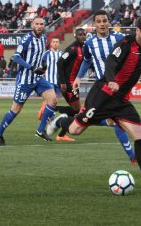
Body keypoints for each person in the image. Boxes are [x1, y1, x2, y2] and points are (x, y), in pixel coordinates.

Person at [48, 15, 141, 190]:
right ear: (137, 31)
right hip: (103, 96)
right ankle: (61, 120)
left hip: (121, 101)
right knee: (76, 129)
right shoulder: (125, 43)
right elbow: (111, 61)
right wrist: (111, 79)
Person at [53, 10, 136, 163]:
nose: (102, 24)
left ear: (109, 22)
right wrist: (78, 77)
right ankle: (133, 157)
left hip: (119, 88)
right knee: (113, 121)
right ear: (94, 25)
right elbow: (86, 60)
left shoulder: (120, 39)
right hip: (102, 89)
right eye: (99, 21)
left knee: (112, 121)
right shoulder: (90, 43)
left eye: (105, 21)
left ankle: (63, 121)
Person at [0, 17, 57, 146]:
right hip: (25, 80)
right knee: (15, 110)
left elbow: (41, 55)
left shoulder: (44, 38)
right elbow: (16, 57)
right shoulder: (26, 39)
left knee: (53, 99)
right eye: (37, 24)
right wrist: (32, 67)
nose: (39, 26)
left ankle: (40, 130)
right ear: (32, 25)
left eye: (41, 24)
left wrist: (43, 65)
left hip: (38, 78)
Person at [54, 28, 87, 118]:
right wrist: (63, 82)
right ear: (75, 36)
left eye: (84, 34)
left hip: (74, 83)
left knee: (75, 110)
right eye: (80, 35)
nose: (83, 36)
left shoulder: (83, 48)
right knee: (77, 110)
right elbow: (60, 62)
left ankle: (62, 128)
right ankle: (51, 108)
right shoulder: (72, 48)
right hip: (68, 83)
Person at [37, 37, 63, 120]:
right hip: (49, 81)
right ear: (51, 44)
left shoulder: (61, 54)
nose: (55, 43)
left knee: (56, 101)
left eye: (57, 42)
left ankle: (48, 114)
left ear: (59, 44)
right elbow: (41, 65)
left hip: (58, 81)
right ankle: (49, 117)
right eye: (54, 42)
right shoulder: (47, 53)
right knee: (52, 99)